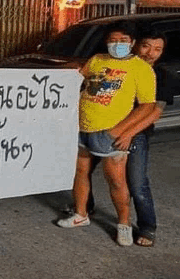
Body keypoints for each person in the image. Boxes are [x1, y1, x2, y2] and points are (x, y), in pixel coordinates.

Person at [57, 21, 156, 246]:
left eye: (122, 41)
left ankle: (123, 224)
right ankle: (81, 214)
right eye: (112, 40)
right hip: (83, 128)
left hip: (109, 133)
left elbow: (147, 106)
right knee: (80, 173)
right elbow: (79, 77)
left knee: (117, 182)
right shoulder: (98, 60)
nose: (117, 44)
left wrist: (119, 131)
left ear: (131, 43)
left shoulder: (141, 68)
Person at [83, 30, 172, 247]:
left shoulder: (161, 75)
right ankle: (85, 207)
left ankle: (147, 227)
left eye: (157, 49)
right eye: (146, 46)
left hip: (134, 134)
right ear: (135, 45)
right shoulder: (110, 64)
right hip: (102, 128)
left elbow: (153, 112)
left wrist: (127, 134)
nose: (151, 53)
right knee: (83, 171)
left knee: (136, 182)